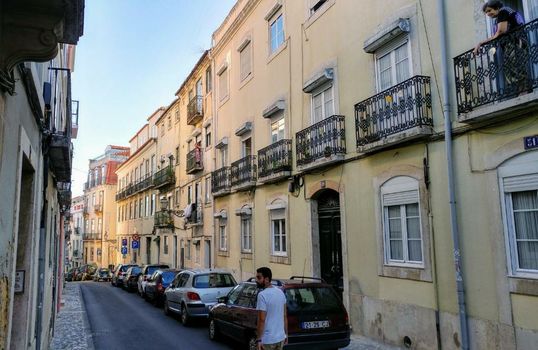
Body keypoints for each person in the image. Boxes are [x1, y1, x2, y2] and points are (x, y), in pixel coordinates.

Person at [474, 1, 530, 94]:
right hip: (514, 43)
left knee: (516, 67)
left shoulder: (503, 12)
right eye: (486, 12)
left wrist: (480, 43)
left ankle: (523, 92)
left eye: (489, 10)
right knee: (515, 68)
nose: (488, 14)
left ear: (496, 7)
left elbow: (501, 31)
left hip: (515, 43)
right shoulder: (504, 13)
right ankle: (521, 91)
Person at [255, 267, 287, 350]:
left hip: (267, 340)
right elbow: (284, 316)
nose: (256, 280)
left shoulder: (262, 295)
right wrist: (286, 334)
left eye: (259, 278)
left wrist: (258, 339)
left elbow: (261, 319)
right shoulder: (280, 292)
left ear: (267, 279)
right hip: (280, 338)